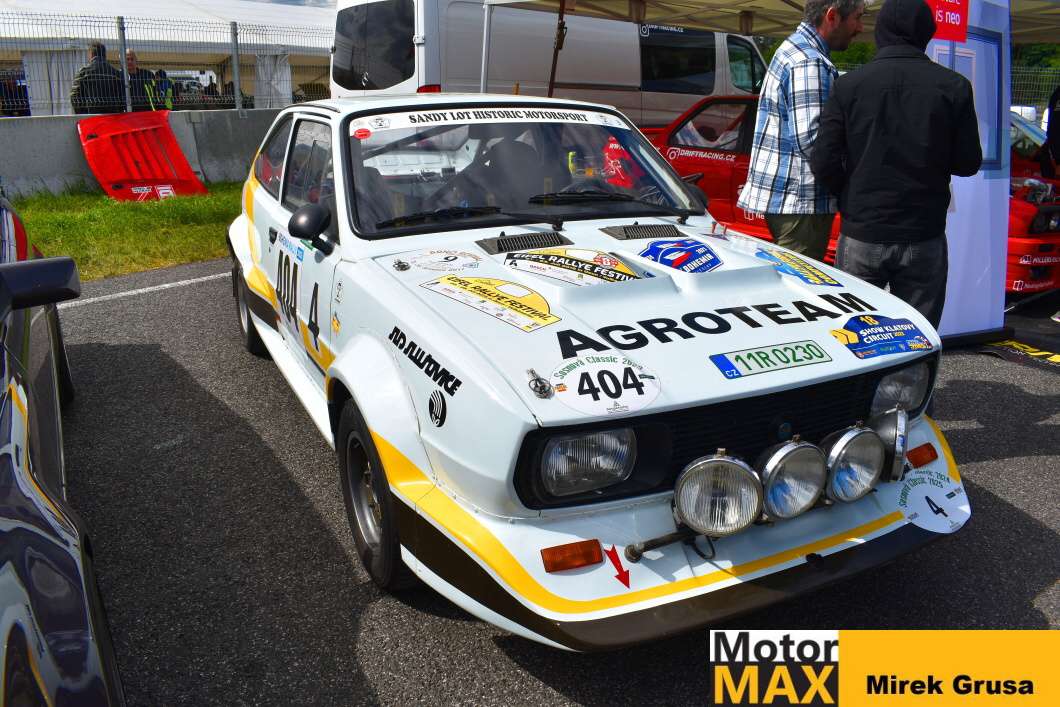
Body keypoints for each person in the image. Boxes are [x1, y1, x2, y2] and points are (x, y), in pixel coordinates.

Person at [810, 0, 982, 329]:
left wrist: (850, 196)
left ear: (881, 33)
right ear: (926, 34)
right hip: (923, 231)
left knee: (855, 335)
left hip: (864, 229)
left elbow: (823, 160)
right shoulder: (954, 86)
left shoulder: (849, 85)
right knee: (917, 336)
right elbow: (967, 163)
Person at [737, 0, 865, 261]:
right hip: (801, 200)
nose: (860, 27)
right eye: (857, 17)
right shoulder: (809, 61)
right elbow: (814, 142)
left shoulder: (796, 50)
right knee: (800, 278)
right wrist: (849, 179)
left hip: (793, 199)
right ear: (832, 16)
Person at [70, 42, 124, 114]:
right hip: (112, 116)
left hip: (91, 115)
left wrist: (82, 113)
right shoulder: (116, 73)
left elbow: (74, 95)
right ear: (104, 54)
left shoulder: (84, 72)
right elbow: (122, 95)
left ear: (91, 54)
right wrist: (118, 111)